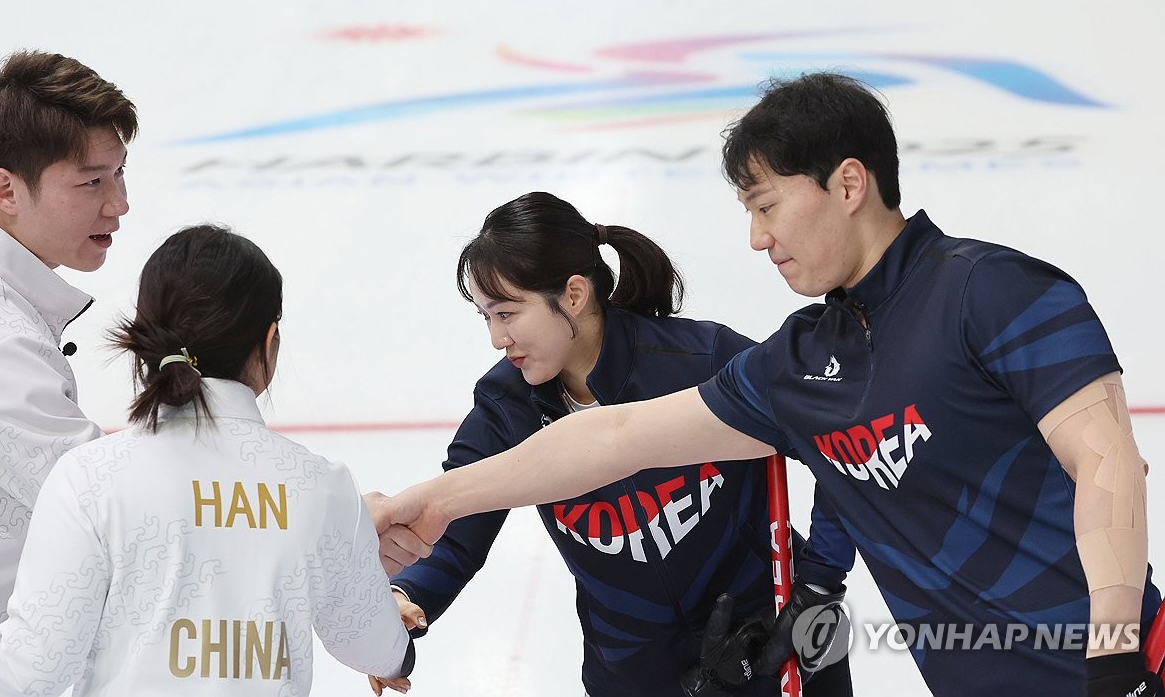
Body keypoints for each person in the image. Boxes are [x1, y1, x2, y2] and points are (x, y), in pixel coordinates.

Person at [375, 74, 1164, 697]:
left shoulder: (993, 290)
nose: (757, 238)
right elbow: (608, 437)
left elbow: (1107, 464)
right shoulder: (797, 365)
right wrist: (430, 502)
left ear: (847, 183)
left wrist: (1114, 650)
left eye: (767, 205)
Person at [370, 192, 855, 697]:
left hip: (773, 645)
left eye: (509, 314)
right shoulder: (506, 406)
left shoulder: (700, 359)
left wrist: (817, 582)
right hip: (634, 674)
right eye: (486, 317)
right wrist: (405, 594)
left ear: (574, 294)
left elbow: (839, 447)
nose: (497, 337)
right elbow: (452, 519)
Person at [0, 224, 414, 696]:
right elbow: (372, 645)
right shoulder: (322, 487)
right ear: (270, 342)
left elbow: (33, 668)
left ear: (145, 340)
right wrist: (397, 644)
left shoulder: (90, 478)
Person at [0, 50, 136, 628]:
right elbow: (114, 508)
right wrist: (317, 518)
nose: (119, 205)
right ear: (6, 191)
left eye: (118, 174)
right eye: (92, 182)